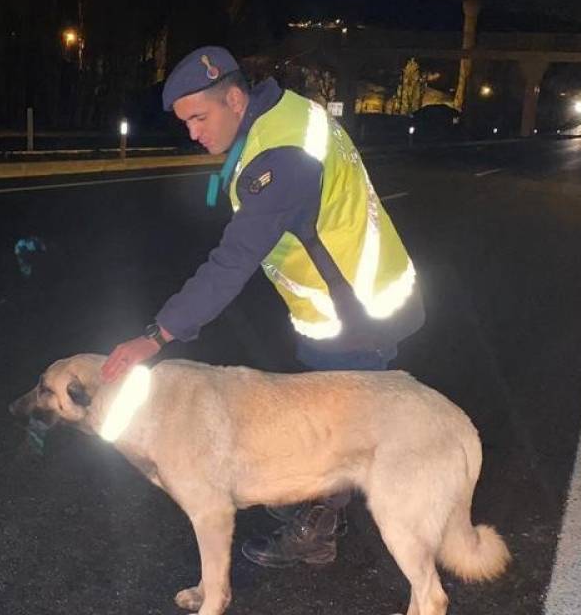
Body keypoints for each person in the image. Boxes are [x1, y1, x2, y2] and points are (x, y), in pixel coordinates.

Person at [100, 46, 426, 568]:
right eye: (185, 123)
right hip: (347, 299)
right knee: (322, 420)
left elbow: (232, 263)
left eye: (199, 118)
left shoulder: (279, 160)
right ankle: (314, 499)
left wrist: (156, 336)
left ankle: (318, 532)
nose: (193, 133)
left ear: (234, 97)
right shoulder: (285, 114)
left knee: (337, 435)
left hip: (356, 312)